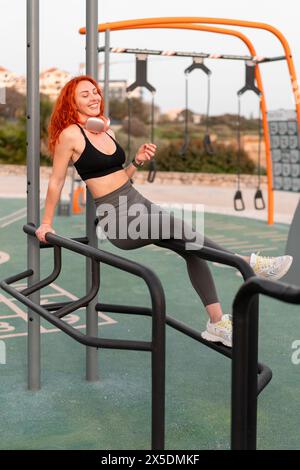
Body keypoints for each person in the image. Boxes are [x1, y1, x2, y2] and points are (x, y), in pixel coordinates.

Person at [35, 75, 293, 348]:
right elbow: (56, 181)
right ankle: (247, 262)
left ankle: (217, 323)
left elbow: (118, 177)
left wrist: (136, 161)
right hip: (118, 218)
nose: (94, 97)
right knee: (181, 227)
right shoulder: (70, 135)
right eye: (85, 94)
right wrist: (46, 224)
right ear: (71, 101)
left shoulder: (107, 131)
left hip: (138, 202)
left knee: (191, 250)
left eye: (96, 92)